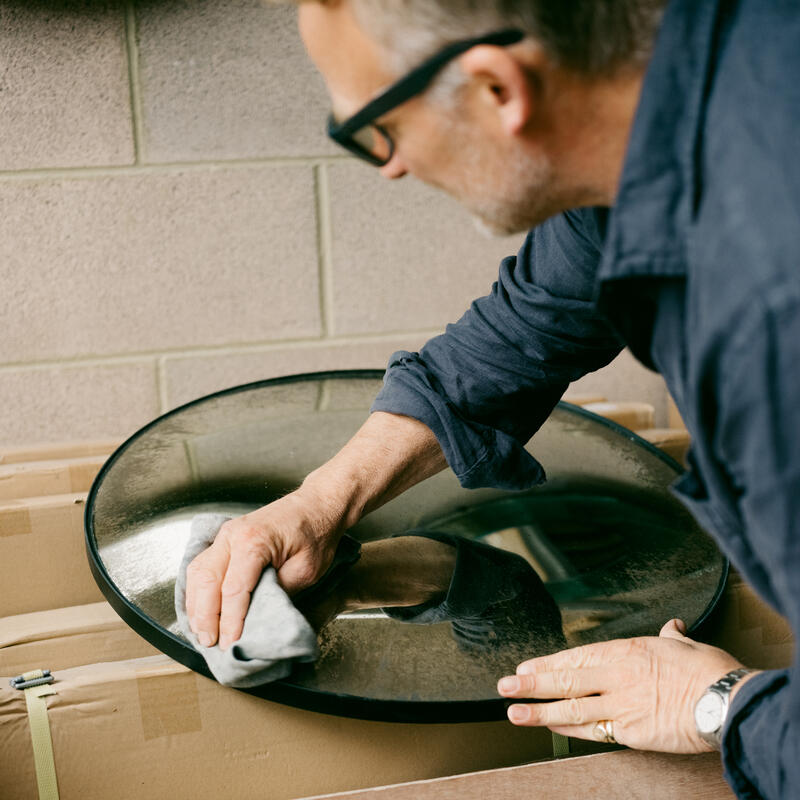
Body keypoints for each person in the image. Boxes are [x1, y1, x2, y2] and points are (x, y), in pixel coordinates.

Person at [184, 1, 800, 796]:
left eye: (374, 130)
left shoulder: (764, 308)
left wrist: (720, 704)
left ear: (497, 88)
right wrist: (319, 503)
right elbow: (515, 338)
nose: (390, 167)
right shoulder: (665, 107)